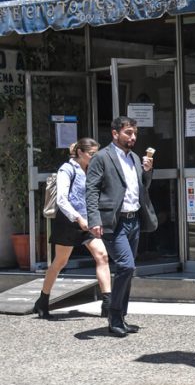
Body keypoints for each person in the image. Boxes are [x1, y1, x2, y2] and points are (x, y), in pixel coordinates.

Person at [86, 116, 157, 337]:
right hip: (113, 222)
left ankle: (121, 318)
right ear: (115, 133)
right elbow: (91, 190)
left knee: (129, 269)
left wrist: (147, 171)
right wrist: (94, 220)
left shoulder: (135, 158)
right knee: (126, 266)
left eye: (134, 133)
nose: (133, 137)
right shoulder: (101, 157)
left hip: (133, 219)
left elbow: (143, 187)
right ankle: (113, 315)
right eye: (128, 132)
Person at [33, 138, 112, 319]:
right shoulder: (66, 169)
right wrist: (77, 217)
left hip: (88, 221)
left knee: (102, 255)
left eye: (96, 154)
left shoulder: (92, 170)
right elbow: (61, 199)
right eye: (91, 154)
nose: (94, 158)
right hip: (69, 221)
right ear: (80, 153)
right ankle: (43, 300)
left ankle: (107, 304)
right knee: (60, 262)